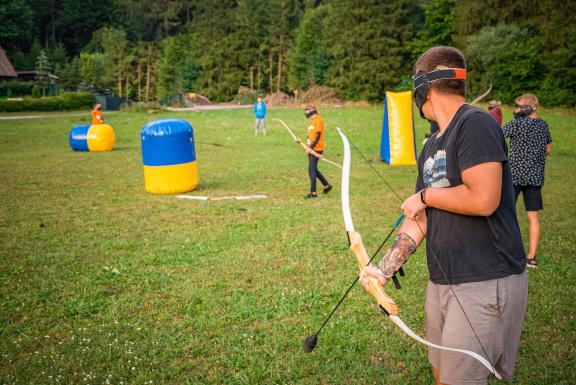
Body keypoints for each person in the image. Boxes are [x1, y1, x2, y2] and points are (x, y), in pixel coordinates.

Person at [360, 46, 527, 385]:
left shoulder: (475, 124)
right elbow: (420, 217)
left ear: (425, 88)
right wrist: (383, 270)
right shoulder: (431, 144)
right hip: (444, 280)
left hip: (484, 279)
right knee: (441, 374)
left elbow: (484, 199)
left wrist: (425, 195)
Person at [502, 93, 552, 268]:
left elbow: (498, 135)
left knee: (506, 213)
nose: (515, 110)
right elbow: (548, 150)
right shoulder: (543, 125)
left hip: (514, 177)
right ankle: (531, 257)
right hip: (535, 178)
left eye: (518, 107)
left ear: (527, 108)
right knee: (533, 217)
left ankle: (506, 251)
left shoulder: (516, 124)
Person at [304, 105, 332, 198]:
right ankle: (327, 185)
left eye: (309, 113)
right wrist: (305, 145)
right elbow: (310, 136)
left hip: (317, 149)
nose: (308, 116)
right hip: (311, 149)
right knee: (314, 169)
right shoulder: (312, 122)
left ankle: (313, 193)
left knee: (311, 169)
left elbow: (318, 135)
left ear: (313, 112)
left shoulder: (319, 120)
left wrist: (311, 147)